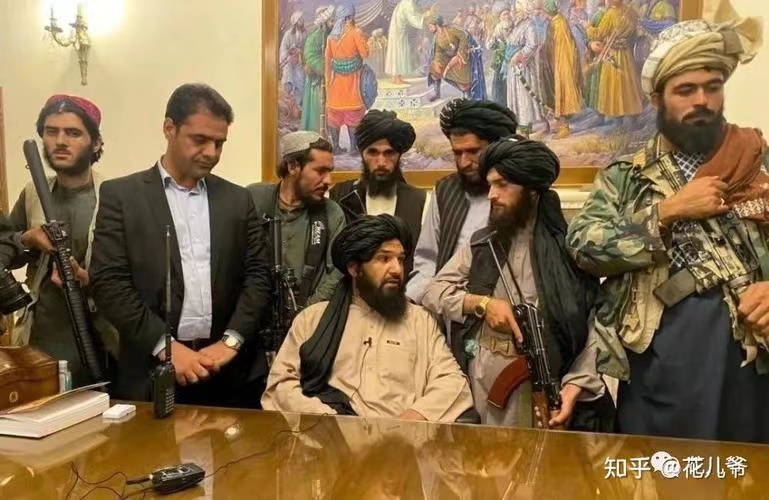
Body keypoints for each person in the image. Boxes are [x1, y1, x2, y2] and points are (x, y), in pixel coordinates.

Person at [566, 5, 769, 443]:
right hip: (661, 359)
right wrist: (667, 212)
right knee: (665, 470)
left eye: (712, 87)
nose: (702, 101)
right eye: (686, 90)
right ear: (657, 100)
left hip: (751, 356)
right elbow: (583, 245)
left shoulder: (758, 159)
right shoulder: (627, 176)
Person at [90, 83, 272, 407]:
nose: (211, 153)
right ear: (169, 128)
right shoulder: (123, 196)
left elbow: (258, 275)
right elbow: (108, 283)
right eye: (200, 140)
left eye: (219, 143)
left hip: (227, 372)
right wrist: (167, 347)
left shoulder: (238, 199)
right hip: (151, 372)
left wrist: (231, 341)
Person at [422, 137, 611, 428]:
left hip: (551, 383)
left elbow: (596, 326)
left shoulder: (571, 250)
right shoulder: (483, 244)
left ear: (532, 191)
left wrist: (575, 386)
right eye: (490, 185)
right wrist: (482, 304)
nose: (491, 195)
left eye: (502, 185)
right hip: (486, 380)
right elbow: (434, 292)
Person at [262, 214, 474, 422]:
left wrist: (414, 417)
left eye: (400, 259)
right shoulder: (313, 319)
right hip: (327, 436)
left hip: (401, 437)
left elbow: (452, 382)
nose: (397, 269)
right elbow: (280, 385)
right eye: (384, 259)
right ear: (354, 268)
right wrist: (326, 420)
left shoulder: (420, 321)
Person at [0, 94, 112, 386]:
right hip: (41, 340)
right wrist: (28, 238)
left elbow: (134, 276)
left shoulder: (113, 196)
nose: (60, 141)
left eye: (73, 133)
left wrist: (85, 278)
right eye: (51, 132)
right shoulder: (33, 193)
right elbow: (6, 248)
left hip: (100, 340)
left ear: (96, 143)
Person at [406, 98, 518, 304]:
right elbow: (427, 260)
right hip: (447, 307)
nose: (464, 162)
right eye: (457, 153)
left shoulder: (520, 192)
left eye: (474, 152)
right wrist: (416, 300)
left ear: (496, 147)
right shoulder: (445, 191)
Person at [248, 131, 345, 306]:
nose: (329, 180)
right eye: (320, 171)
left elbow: (338, 272)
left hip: (311, 314)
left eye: (330, 171)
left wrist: (306, 312)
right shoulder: (254, 199)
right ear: (293, 167)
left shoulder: (331, 212)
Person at [329, 110, 426, 278]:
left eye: (389, 153)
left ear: (399, 155)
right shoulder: (339, 196)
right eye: (373, 153)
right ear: (362, 153)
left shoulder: (421, 201)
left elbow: (425, 265)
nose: (381, 162)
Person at [325, 4, 369, 155]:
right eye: (352, 16)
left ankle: (336, 148)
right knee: (353, 115)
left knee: (335, 116)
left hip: (335, 84)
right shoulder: (355, 33)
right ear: (349, 17)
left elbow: (327, 62)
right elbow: (365, 53)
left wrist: (328, 83)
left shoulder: (331, 37)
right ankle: (354, 149)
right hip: (352, 83)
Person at [426, 15, 486, 101]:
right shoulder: (437, 37)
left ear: (437, 24)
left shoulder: (451, 29)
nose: (429, 29)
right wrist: (438, 62)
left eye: (430, 26)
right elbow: (438, 51)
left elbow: (463, 36)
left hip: (462, 55)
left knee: (462, 76)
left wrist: (460, 52)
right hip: (449, 58)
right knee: (435, 68)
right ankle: (437, 93)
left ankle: (467, 93)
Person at [301, 5, 336, 133]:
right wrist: (324, 68)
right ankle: (316, 134)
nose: (333, 23)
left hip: (330, 79)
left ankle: (329, 135)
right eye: (331, 21)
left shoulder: (331, 35)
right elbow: (310, 55)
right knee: (318, 109)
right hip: (317, 81)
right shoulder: (315, 36)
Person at [385, 0, 432, 84]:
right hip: (399, 33)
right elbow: (413, 18)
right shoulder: (408, 3)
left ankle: (396, 77)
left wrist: (424, 13)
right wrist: (426, 15)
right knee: (399, 53)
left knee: (397, 53)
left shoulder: (405, 2)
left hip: (399, 32)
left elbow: (416, 12)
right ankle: (396, 78)